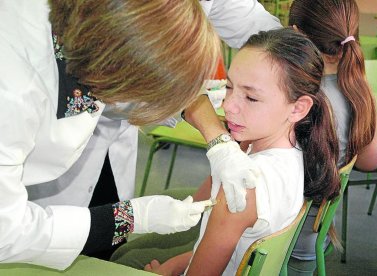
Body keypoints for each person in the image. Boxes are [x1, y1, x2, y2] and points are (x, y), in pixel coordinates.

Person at [0, 0, 222, 270]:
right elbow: (6, 232)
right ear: (114, 72)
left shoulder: (96, 39)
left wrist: (221, 143)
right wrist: (132, 217)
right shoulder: (12, 91)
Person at [27, 0, 282, 215]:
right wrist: (215, 136)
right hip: (52, 130)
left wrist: (305, 52)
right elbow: (18, 232)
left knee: (106, 226)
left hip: (112, 127)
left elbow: (253, 23)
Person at [141, 27, 341, 276]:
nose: (228, 106)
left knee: (121, 257)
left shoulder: (242, 183)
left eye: (251, 98)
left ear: (298, 108)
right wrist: (177, 263)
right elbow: (231, 244)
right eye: (229, 87)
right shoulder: (296, 150)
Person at [287, 0, 377, 274]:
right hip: (316, 237)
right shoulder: (359, 92)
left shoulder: (294, 100)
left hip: (281, 247)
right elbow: (369, 162)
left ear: (298, 35)